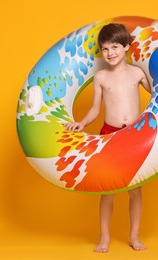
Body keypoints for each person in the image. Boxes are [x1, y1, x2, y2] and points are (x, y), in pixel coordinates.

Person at [64, 23, 151, 253]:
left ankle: (134, 236)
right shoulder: (101, 77)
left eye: (115, 47)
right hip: (109, 134)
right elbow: (95, 108)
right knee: (108, 190)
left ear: (126, 47)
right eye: (105, 49)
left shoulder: (137, 73)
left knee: (135, 189)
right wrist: (81, 123)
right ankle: (104, 237)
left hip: (134, 136)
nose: (110, 53)